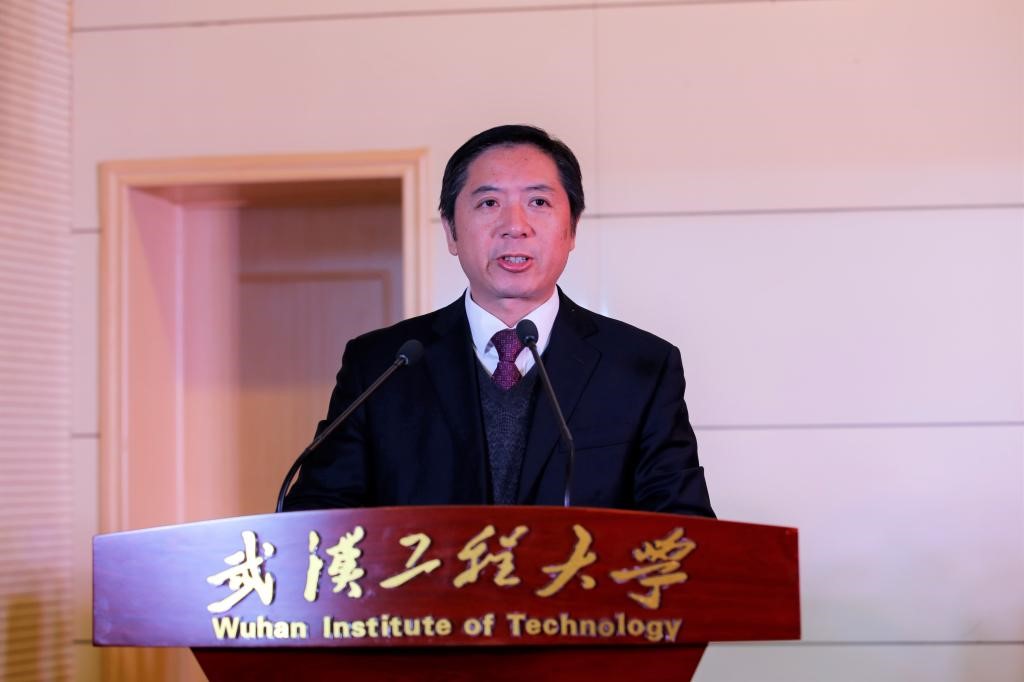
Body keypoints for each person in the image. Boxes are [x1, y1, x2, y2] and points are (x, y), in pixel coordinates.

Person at [283, 125, 713, 517]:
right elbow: (316, 518)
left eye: (538, 202)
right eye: (489, 203)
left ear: (572, 230)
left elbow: (684, 529)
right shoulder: (381, 364)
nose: (515, 226)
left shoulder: (641, 367)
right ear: (451, 231)